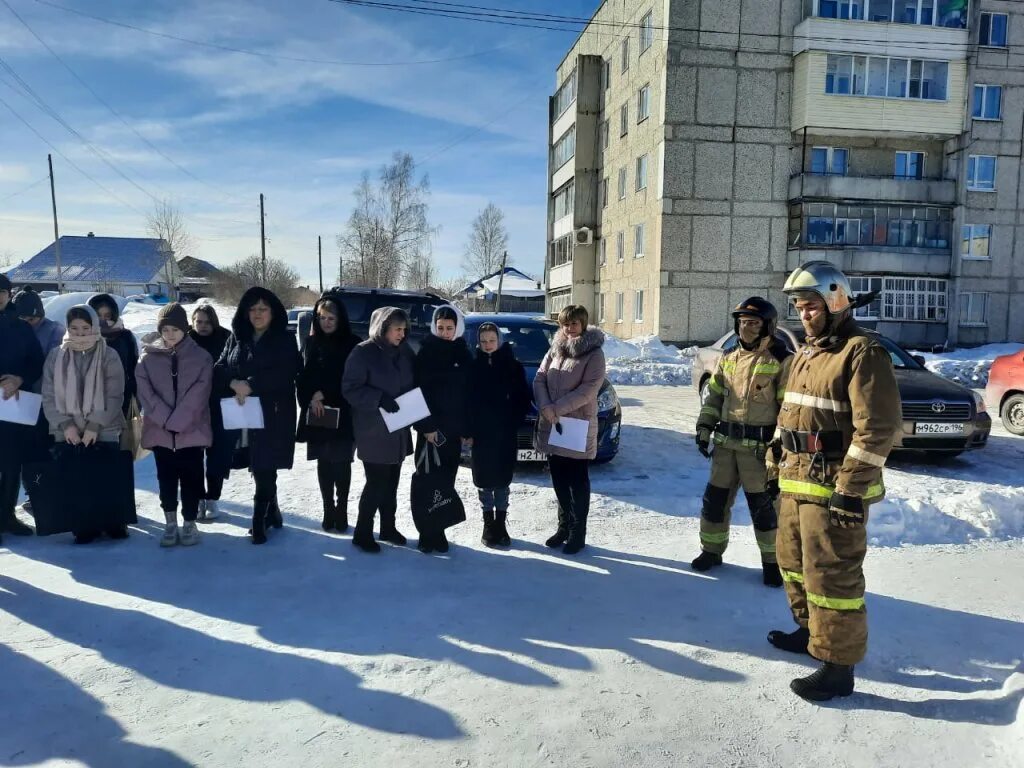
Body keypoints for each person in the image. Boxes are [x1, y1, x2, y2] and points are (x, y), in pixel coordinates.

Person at [767, 261, 900, 702]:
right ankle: (810, 634)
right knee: (792, 564)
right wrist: (774, 458)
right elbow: (792, 414)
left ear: (836, 301)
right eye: (799, 308)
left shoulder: (861, 353)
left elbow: (877, 427)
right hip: (796, 484)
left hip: (833, 493)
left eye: (811, 306)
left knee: (831, 577)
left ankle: (838, 667)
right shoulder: (806, 353)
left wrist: (850, 489)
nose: (804, 315)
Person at [691, 297, 792, 587]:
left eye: (754, 323)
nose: (747, 328)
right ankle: (711, 551)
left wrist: (777, 446)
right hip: (725, 448)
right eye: (743, 323)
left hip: (759, 453)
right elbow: (714, 398)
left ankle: (772, 563)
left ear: (768, 326)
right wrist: (704, 427)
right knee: (714, 503)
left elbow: (788, 410)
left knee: (765, 511)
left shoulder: (782, 360)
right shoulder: (729, 358)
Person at [214, 288, 299, 545]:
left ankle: (259, 519)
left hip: (273, 413)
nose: (257, 314)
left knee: (265, 464)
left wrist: (251, 384)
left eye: (263, 309)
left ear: (273, 312)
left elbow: (288, 371)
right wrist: (233, 383)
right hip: (242, 412)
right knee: (255, 462)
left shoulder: (284, 339)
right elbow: (219, 367)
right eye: (252, 309)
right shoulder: (237, 337)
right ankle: (273, 511)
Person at [41, 304, 127, 544]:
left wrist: (94, 425)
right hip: (67, 430)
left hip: (104, 428)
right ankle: (84, 525)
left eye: (85, 328)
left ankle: (113, 522)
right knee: (77, 481)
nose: (80, 333)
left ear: (95, 327)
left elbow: (115, 394)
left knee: (106, 479)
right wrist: (65, 425)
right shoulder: (56, 356)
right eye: (74, 328)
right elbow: (48, 394)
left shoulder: (108, 354)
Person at [136, 303, 214, 548]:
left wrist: (178, 421)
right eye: (165, 329)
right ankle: (170, 523)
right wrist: (164, 419)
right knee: (166, 480)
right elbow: (146, 393)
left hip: (191, 431)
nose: (170, 334)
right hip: (160, 433)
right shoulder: (147, 358)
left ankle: (189, 522)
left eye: (175, 329)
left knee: (191, 479)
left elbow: (200, 393)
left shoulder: (201, 357)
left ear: (185, 329)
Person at [341, 307, 415, 553]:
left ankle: (388, 527)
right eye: (397, 329)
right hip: (373, 430)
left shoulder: (403, 352)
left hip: (398, 429)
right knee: (376, 484)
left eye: (404, 329)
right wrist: (378, 398)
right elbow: (350, 388)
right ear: (382, 328)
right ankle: (362, 532)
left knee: (392, 484)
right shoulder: (363, 353)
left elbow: (413, 381)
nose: (402, 334)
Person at [534, 304, 606, 555]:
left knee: (577, 481)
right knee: (559, 479)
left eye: (574, 323)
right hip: (555, 424)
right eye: (565, 323)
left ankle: (578, 532)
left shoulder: (593, 354)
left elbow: (588, 390)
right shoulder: (555, 349)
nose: (569, 328)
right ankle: (563, 527)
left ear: (583, 324)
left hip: (577, 425)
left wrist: (556, 408)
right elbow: (540, 378)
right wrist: (546, 406)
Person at [296, 293, 360, 533]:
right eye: (322, 317)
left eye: (331, 318)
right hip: (318, 412)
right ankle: (328, 508)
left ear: (340, 318)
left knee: (342, 464)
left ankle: (341, 509)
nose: (326, 322)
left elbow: (353, 379)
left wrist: (327, 394)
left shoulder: (353, 343)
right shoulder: (312, 343)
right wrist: (311, 396)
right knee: (324, 463)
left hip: (343, 412)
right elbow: (302, 376)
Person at [412, 305, 472, 553]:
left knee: (446, 481)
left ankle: (440, 528)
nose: (445, 332)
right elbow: (415, 393)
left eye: (449, 328)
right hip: (430, 432)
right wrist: (425, 426)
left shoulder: (464, 354)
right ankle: (426, 532)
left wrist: (467, 428)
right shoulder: (425, 353)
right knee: (426, 481)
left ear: (457, 327)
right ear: (434, 327)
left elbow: (470, 396)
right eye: (440, 328)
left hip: (453, 432)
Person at [467, 322, 531, 548]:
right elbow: (466, 402)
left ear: (499, 340)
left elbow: (523, 399)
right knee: (484, 480)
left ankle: (501, 523)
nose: (487, 345)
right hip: (482, 434)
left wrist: (513, 421)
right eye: (483, 341)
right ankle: (488, 523)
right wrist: (468, 430)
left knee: (503, 479)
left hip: (504, 433)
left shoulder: (513, 367)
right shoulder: (473, 367)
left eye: (491, 341)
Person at [13, 286, 63, 515]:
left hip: (48, 401)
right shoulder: (12, 329)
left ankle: (50, 495)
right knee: (24, 452)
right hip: (18, 401)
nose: (28, 322)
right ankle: (33, 495)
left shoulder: (54, 332)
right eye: (23, 317)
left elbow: (56, 365)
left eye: (32, 318)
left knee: (47, 450)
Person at [0, 291, 44, 542]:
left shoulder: (21, 327)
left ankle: (6, 516)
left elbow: (37, 361)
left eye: (2, 292)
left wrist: (19, 378)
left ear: (8, 295)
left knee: (11, 464)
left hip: (13, 403)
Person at [188, 304, 231, 521]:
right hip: (192, 406)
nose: (203, 326)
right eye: (199, 322)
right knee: (194, 455)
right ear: (193, 321)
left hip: (219, 403)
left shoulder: (226, 338)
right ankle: (197, 499)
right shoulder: (184, 340)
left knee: (217, 455)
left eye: (207, 322)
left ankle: (213, 497)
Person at [87, 293, 139, 416]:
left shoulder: (125, 336)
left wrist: (135, 396)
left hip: (121, 400)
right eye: (98, 316)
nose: (102, 321)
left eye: (107, 316)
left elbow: (133, 368)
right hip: (90, 403)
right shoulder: (83, 336)